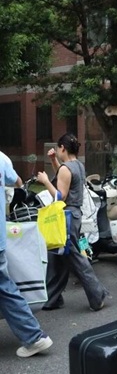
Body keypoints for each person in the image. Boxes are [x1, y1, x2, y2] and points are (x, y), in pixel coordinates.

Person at [37, 133, 108, 311]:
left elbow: (60, 196)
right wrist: (53, 161)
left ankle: (98, 295)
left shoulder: (66, 168)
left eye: (58, 148)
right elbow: (64, 176)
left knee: (74, 257)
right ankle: (52, 299)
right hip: (74, 215)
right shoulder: (78, 165)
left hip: (66, 217)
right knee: (57, 257)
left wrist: (45, 181)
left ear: (63, 148)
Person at [0, 151, 53, 357]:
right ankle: (34, 337)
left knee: (6, 289)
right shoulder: (2, 158)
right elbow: (18, 182)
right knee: (6, 289)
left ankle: (34, 337)